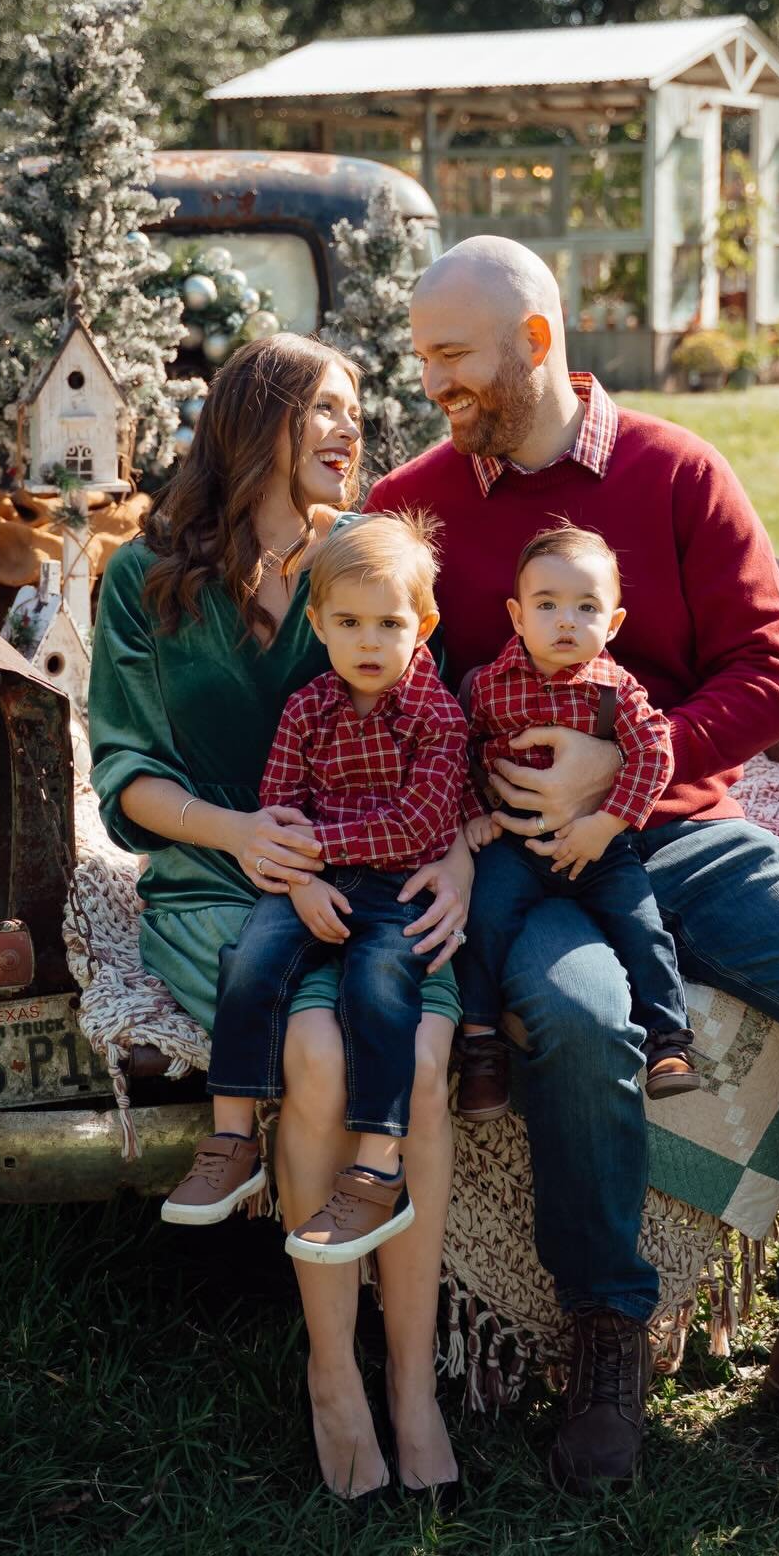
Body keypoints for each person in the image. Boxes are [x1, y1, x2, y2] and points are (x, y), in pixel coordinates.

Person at [366, 235, 779, 1495]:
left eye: (454, 356)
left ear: (537, 342)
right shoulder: (411, 504)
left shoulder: (677, 470)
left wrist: (623, 773)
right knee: (584, 1024)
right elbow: (387, 696)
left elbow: (776, 676)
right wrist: (480, 831)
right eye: (423, 357)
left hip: (688, 829)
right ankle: (606, 1335)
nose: (434, 383)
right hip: (530, 858)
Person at [88, 333, 466, 1499]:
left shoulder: (360, 565)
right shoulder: (144, 576)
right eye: (328, 409)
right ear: (260, 419)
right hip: (221, 879)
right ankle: (331, 1372)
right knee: (311, 1047)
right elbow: (126, 768)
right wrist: (241, 834)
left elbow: (432, 728)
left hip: (375, 875)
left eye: (357, 409)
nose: (353, 430)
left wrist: (452, 854)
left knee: (423, 1049)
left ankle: (412, 1384)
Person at [160, 513, 467, 1264]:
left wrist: (315, 850)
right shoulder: (307, 706)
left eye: (389, 622)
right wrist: (297, 880)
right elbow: (279, 798)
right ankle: (233, 1137)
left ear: (422, 625)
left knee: (380, 986)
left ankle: (376, 1169)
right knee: (251, 956)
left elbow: (419, 827)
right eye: (349, 622)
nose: (369, 641)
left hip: (397, 886)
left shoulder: (437, 717)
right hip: (312, 879)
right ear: (321, 625)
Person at [453, 522, 698, 1121]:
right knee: (481, 918)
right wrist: (475, 814)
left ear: (613, 623)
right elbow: (455, 750)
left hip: (597, 845)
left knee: (641, 924)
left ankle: (669, 1043)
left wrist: (610, 823)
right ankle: (482, 1046)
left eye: (586, 607)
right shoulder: (488, 687)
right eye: (547, 605)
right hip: (515, 840)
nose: (566, 621)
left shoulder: (616, 690)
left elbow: (655, 752)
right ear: (517, 616)